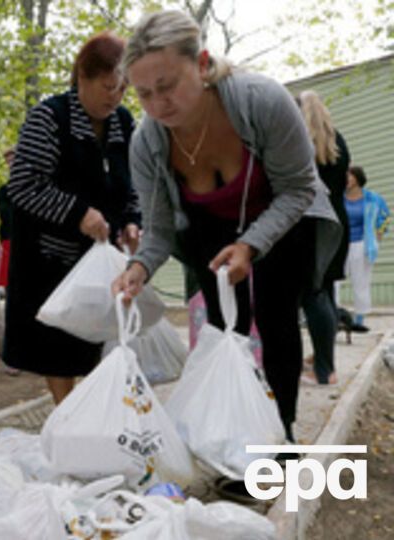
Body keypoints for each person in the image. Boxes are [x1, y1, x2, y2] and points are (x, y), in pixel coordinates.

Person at [112, 11, 340, 451]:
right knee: (223, 328)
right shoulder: (147, 143)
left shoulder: (262, 102)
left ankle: (282, 432)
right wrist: (139, 266)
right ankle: (231, 438)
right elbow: (159, 228)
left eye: (168, 85)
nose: (159, 104)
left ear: (200, 63)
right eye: (143, 94)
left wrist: (252, 243)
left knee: (276, 320)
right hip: (208, 230)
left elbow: (299, 188)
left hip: (282, 215)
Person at [3, 31, 141, 404]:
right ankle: (67, 413)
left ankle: (92, 414)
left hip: (100, 259)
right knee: (58, 349)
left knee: (97, 342)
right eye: (108, 86)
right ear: (83, 77)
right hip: (50, 260)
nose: (115, 96)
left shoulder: (124, 124)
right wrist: (78, 213)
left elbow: (132, 184)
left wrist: (131, 220)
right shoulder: (50, 118)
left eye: (123, 88)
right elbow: (23, 185)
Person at [297, 91, 351, 387]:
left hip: (312, 224)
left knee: (313, 294)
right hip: (338, 224)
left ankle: (323, 369)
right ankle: (323, 361)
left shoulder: (301, 142)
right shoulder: (338, 141)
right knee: (326, 291)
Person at [343, 165, 389, 332]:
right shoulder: (340, 198)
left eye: (349, 175)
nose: (346, 178)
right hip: (341, 244)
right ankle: (335, 316)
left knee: (360, 281)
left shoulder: (372, 198)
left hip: (362, 244)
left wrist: (379, 233)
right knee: (334, 280)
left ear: (357, 178)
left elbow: (385, 216)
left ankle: (360, 319)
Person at [0, 147, 15, 295]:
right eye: (9, 162)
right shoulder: (3, 191)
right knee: (8, 286)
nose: (11, 164)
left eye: (14, 160)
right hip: (8, 240)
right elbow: (5, 216)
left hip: (32, 242)